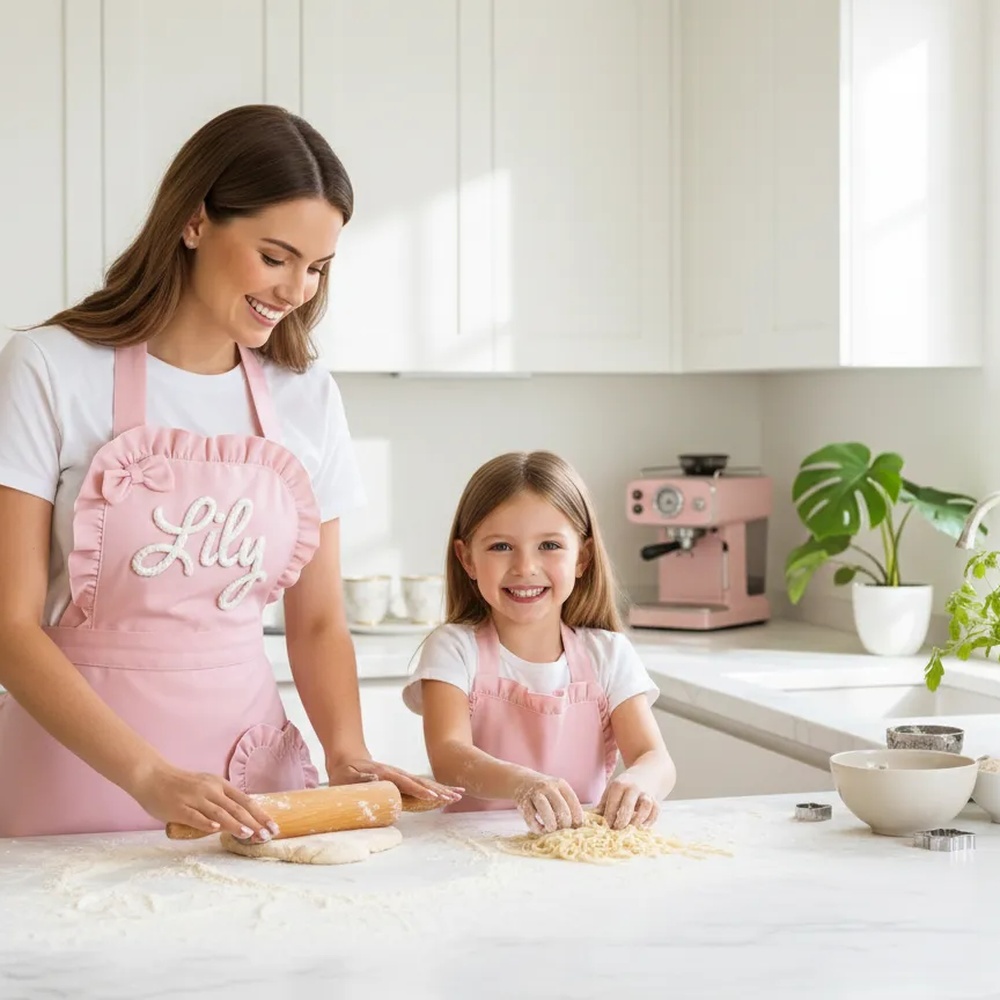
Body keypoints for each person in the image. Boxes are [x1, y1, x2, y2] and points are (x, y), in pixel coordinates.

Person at [0, 104, 461, 840]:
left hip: (250, 782)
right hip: (80, 773)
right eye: (275, 257)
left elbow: (315, 622)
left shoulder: (306, 396)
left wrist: (347, 752)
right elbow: (10, 628)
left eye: (317, 268)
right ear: (193, 221)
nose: (297, 290)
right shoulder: (51, 368)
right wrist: (148, 776)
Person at [402, 451, 676, 833]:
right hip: (472, 850)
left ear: (583, 557)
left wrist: (640, 782)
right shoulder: (453, 649)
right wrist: (523, 784)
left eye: (549, 545)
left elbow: (655, 758)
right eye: (501, 546)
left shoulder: (608, 655)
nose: (524, 567)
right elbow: (449, 755)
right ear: (467, 559)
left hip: (577, 859)